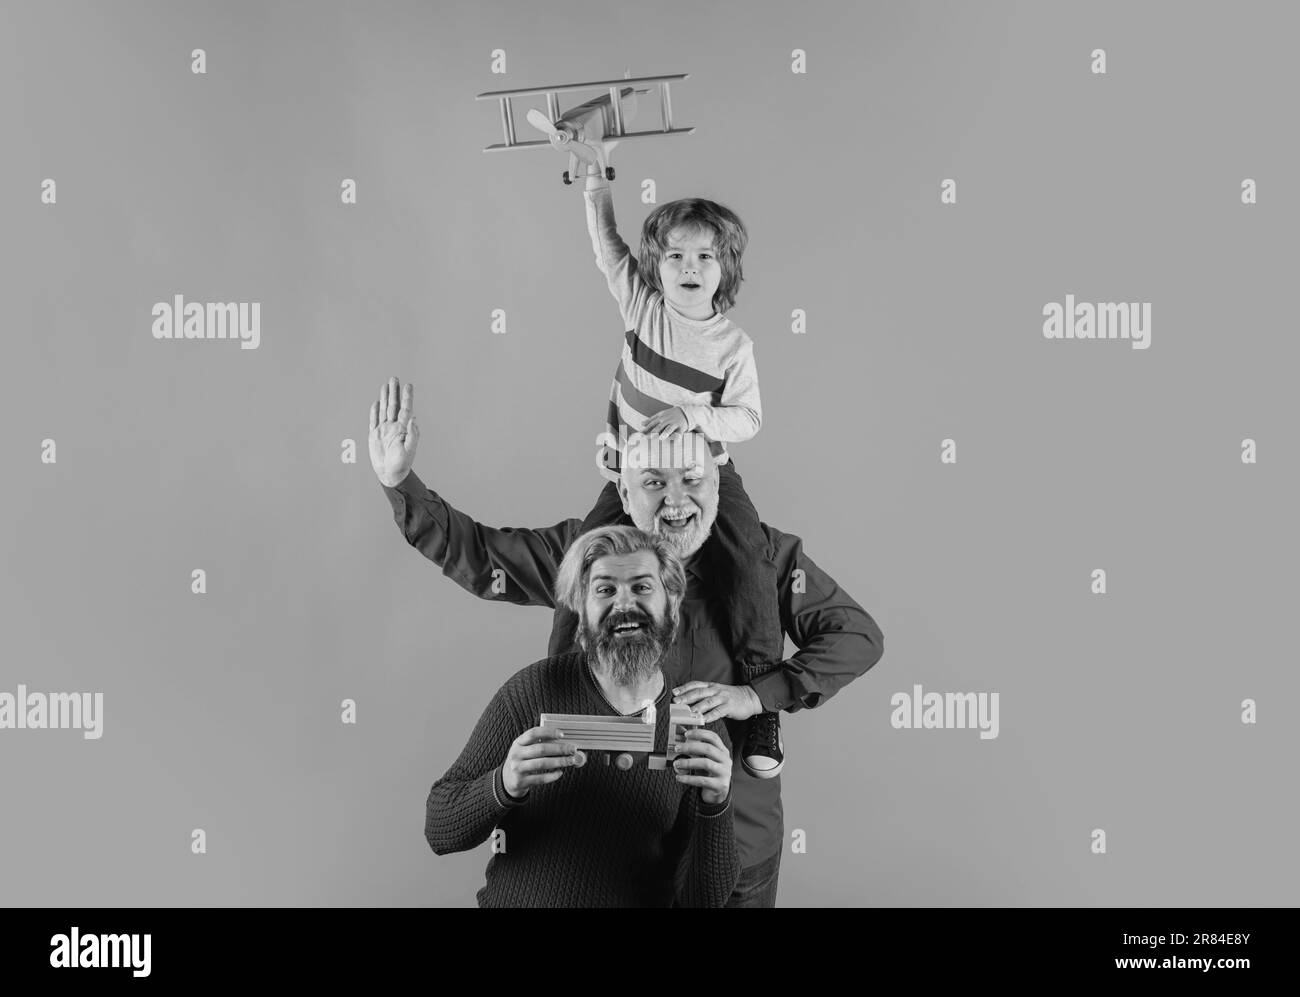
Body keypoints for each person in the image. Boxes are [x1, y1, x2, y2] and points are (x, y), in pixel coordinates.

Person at [370, 378, 885, 907]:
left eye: (692, 479)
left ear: (718, 483)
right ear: (623, 489)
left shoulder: (764, 560)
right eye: (654, 483)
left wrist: (756, 696)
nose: (676, 502)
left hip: (731, 839)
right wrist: (400, 480)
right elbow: (483, 556)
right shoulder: (591, 556)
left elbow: (856, 636)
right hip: (604, 843)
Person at [555, 159, 787, 782]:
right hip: (636, 474)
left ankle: (762, 704)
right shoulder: (643, 309)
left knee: (750, 558)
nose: (690, 267)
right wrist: (594, 183)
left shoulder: (733, 347)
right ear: (655, 268)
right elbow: (607, 248)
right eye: (676, 256)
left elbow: (749, 419)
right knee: (586, 554)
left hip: (704, 470)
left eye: (705, 257)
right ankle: (566, 689)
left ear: (725, 270)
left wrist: (692, 414)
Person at [425, 525, 738, 907]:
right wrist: (503, 783)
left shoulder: (698, 723)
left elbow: (703, 902)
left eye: (642, 587)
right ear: (581, 608)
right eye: (605, 590)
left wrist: (716, 803)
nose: (624, 605)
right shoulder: (534, 690)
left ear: (670, 602)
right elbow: (440, 830)